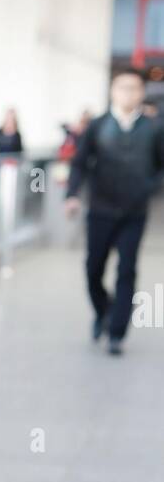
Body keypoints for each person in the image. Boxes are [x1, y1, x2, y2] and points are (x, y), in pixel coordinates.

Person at [65, 68, 164, 355]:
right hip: (100, 209)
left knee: (127, 269)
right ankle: (102, 310)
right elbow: (80, 162)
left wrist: (148, 186)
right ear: (112, 90)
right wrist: (72, 194)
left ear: (142, 92)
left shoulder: (154, 127)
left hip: (134, 212)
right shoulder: (97, 125)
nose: (128, 93)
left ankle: (117, 332)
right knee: (93, 269)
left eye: (134, 88)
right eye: (122, 88)